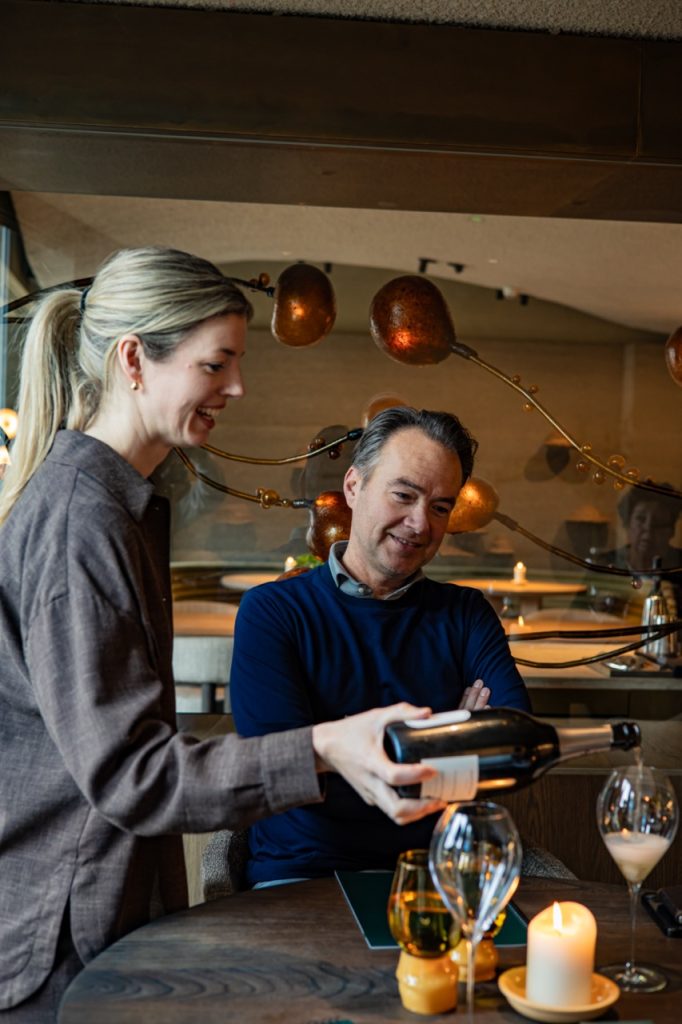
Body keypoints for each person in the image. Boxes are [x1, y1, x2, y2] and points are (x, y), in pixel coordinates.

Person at [0, 247, 443, 1021]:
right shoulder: (82, 519)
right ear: (134, 359)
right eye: (217, 364)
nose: (236, 387)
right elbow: (131, 776)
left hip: (95, 916)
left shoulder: (119, 505)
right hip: (57, 935)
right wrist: (327, 746)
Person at [230, 407, 531, 887]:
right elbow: (282, 771)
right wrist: (453, 732)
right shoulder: (273, 612)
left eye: (439, 507)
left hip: (437, 875)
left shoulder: (467, 614)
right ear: (354, 486)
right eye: (404, 495)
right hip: (302, 876)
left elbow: (511, 747)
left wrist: (333, 750)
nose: (419, 524)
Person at [600, 483, 682, 616]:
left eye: (659, 522)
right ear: (627, 523)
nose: (648, 529)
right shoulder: (604, 565)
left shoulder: (679, 568)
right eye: (640, 519)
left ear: (671, 531)